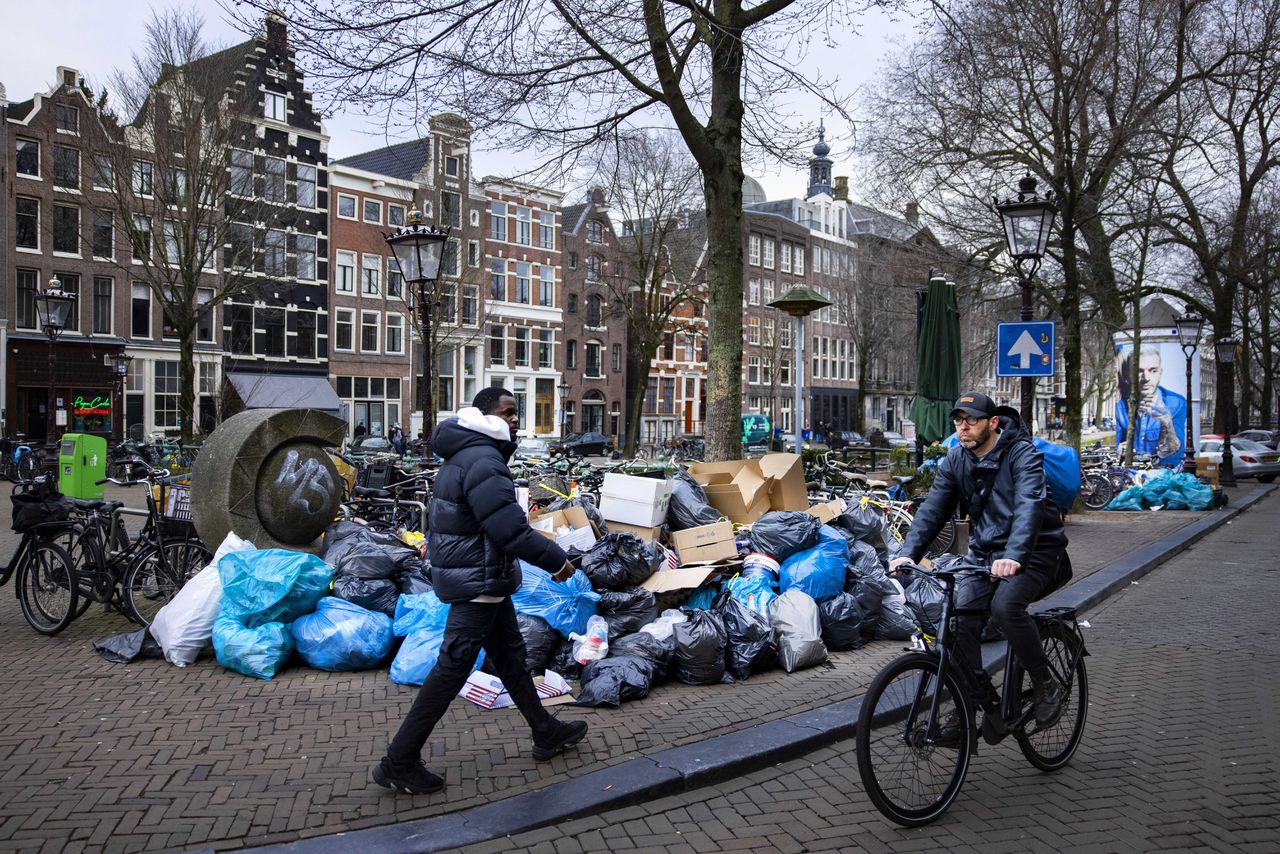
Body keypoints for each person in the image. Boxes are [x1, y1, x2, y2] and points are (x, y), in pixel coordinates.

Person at [373, 387, 588, 795]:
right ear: (485, 416)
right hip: (479, 582)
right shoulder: (485, 461)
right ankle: (398, 761)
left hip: (484, 579)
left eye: (515, 413)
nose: (514, 421)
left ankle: (545, 732)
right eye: (507, 413)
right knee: (452, 667)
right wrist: (557, 561)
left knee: (510, 658)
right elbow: (508, 529)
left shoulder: (464, 456)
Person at [890, 392, 1071, 740]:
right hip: (985, 555)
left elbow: (1029, 507)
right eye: (958, 420)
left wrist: (1015, 555)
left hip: (1036, 551)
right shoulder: (956, 460)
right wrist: (908, 553)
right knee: (955, 618)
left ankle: (1047, 685)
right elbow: (933, 511)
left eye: (971, 420)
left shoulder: (1023, 455)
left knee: (1005, 607)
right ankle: (970, 702)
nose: (963, 427)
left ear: (993, 423)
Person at [1115, 346, 1187, 467]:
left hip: (1165, 475)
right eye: (1139, 371)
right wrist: (1120, 448)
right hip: (1134, 473)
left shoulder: (1176, 403)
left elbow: (1176, 454)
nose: (1146, 378)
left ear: (1160, 373)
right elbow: (1119, 449)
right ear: (1129, 375)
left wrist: (1166, 421)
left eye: (1153, 370)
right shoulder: (1120, 407)